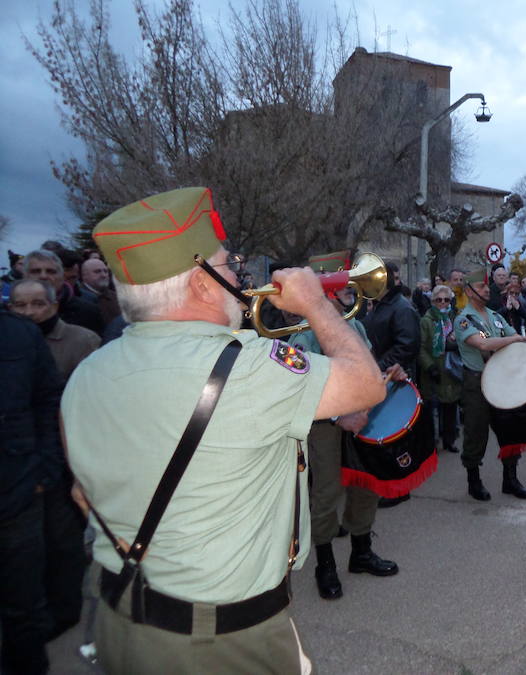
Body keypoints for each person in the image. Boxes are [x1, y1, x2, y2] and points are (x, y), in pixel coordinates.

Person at [60, 187, 385, 673]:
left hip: (117, 617)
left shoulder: (88, 369)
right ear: (202, 284)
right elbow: (366, 386)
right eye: (228, 264)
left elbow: (83, 493)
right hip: (221, 641)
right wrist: (317, 305)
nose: (237, 275)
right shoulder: (251, 367)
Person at [287, 251, 399, 602]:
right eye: (343, 286)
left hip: (360, 415)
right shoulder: (301, 333)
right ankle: (325, 564)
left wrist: (386, 379)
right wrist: (339, 417)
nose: (351, 292)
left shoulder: (355, 324)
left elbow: (362, 372)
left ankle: (361, 552)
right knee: (327, 493)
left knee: (367, 484)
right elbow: (300, 389)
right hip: (324, 423)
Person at [1, 307, 78, 675]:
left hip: (16, 493)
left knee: (24, 607)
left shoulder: (18, 334)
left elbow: (49, 401)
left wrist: (43, 473)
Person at [454, 268, 526, 501]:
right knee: (476, 431)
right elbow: (483, 344)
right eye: (482, 287)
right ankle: (474, 480)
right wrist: (515, 339)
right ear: (470, 291)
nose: (487, 290)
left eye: (486, 286)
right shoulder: (464, 320)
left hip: (503, 380)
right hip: (477, 383)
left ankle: (510, 480)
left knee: (510, 429)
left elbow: (516, 339)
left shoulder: (495, 316)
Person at [363, 261, 422, 508]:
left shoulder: (401, 308)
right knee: (381, 435)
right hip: (379, 377)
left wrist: (378, 366)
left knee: (394, 436)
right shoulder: (378, 306)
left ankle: (399, 489)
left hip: (394, 379)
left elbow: (407, 345)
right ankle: (387, 484)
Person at [9, 280, 100, 383]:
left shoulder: (84, 340)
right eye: (20, 305)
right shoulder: (6, 340)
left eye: (38, 304)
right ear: (10, 308)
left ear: (54, 307)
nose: (29, 312)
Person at [418, 284, 463, 454]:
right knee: (432, 411)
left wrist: (455, 344)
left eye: (446, 299)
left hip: (450, 370)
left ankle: (449, 440)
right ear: (433, 301)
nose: (443, 303)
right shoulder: (426, 321)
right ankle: (432, 444)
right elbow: (420, 347)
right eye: (439, 300)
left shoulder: (453, 318)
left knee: (450, 409)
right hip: (433, 371)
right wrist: (429, 367)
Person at [24, 250, 103, 336]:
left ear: (62, 277)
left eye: (51, 271)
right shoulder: (12, 311)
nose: (43, 276)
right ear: (24, 276)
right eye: (36, 271)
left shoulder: (89, 312)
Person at [79, 258, 122, 328]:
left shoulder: (116, 296)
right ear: (84, 276)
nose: (104, 275)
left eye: (106, 271)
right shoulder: (79, 298)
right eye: (97, 271)